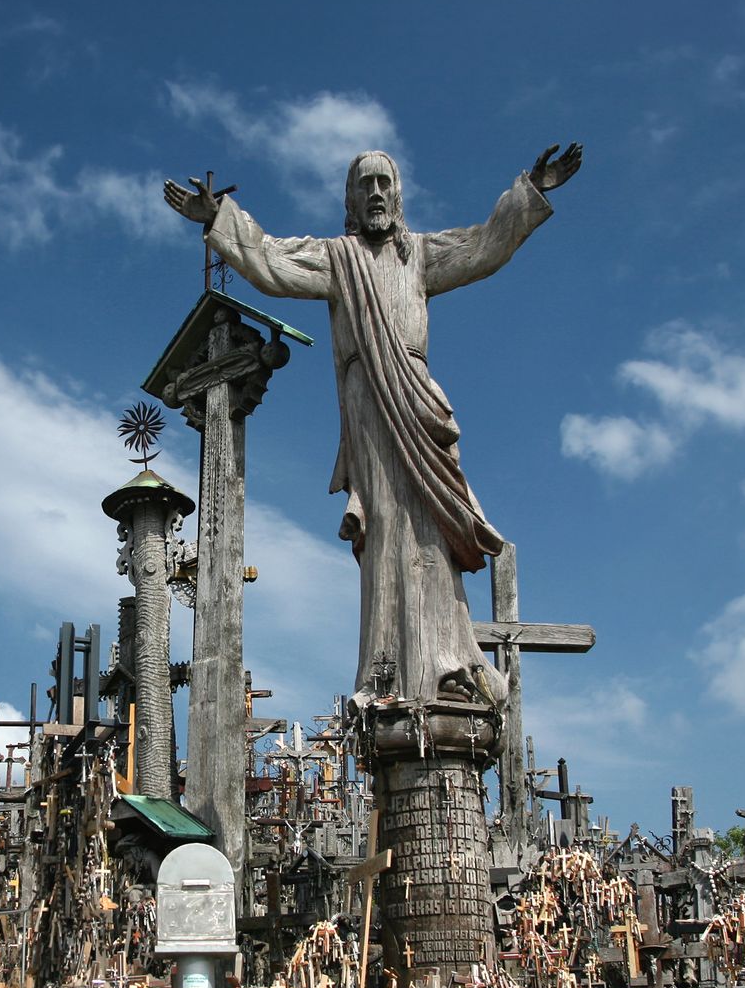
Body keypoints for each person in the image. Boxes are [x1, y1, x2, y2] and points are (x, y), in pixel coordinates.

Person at [164, 144, 582, 705]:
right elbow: (270, 260)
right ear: (351, 202)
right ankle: (387, 666)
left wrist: (530, 191)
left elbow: (484, 244)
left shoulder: (421, 255)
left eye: (385, 183)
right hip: (370, 402)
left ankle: (449, 655)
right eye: (365, 186)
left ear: (399, 196)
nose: (377, 194)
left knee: (431, 526)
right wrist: (219, 218)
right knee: (385, 523)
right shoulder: (338, 257)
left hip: (417, 399)